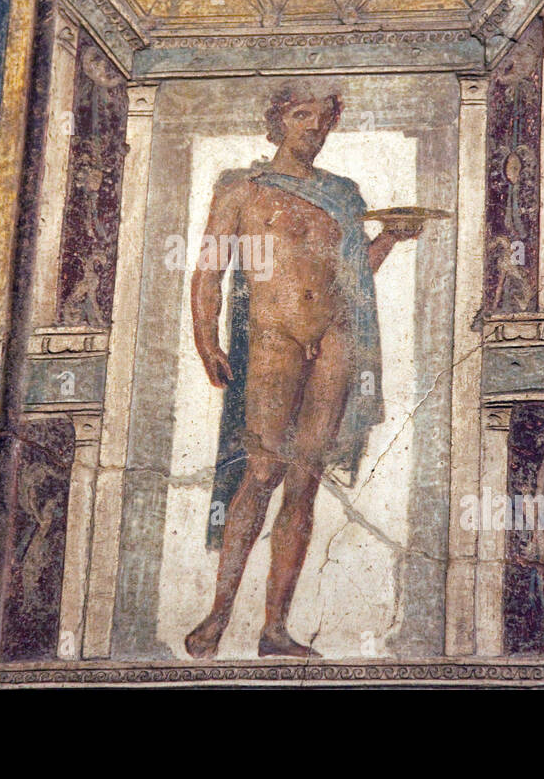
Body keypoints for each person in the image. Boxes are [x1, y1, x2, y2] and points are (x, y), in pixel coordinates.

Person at [185, 81, 423, 658]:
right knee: (262, 472)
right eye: (300, 115)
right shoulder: (242, 191)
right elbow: (209, 273)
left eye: (322, 118)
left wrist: (388, 236)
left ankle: (274, 629)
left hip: (336, 341)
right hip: (274, 342)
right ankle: (218, 614)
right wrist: (205, 339)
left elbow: (354, 275)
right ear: (278, 122)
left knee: (304, 482)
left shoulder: (344, 194)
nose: (313, 128)